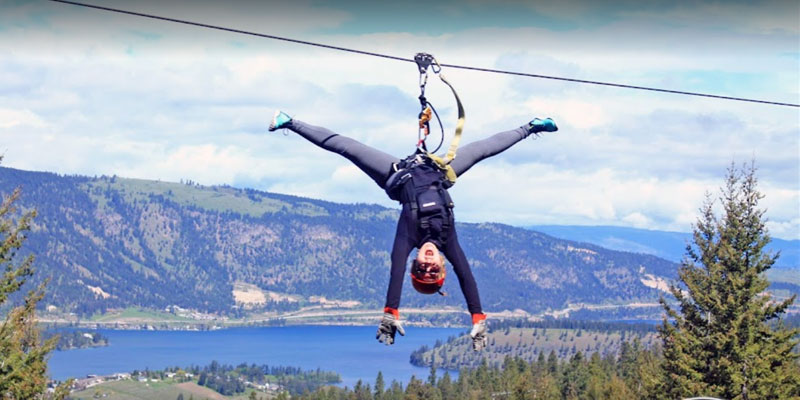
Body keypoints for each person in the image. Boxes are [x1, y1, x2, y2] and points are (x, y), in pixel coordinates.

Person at [268, 111, 557, 350]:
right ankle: (530, 127)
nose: (428, 265)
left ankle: (290, 121)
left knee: (346, 147)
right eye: (434, 271)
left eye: (422, 270)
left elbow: (395, 272)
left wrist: (391, 311)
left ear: (414, 265)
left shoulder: (407, 237)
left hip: (397, 172)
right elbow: (467, 276)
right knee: (483, 150)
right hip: (440, 171)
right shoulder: (449, 241)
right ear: (443, 265)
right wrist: (478, 317)